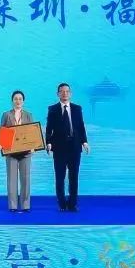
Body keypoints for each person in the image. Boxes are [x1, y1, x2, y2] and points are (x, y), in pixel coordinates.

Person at [45, 82, 89, 212]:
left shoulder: (77, 109)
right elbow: (49, 128)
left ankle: (73, 204)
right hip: (59, 148)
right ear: (58, 94)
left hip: (75, 148)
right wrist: (48, 142)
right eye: (62, 91)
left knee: (73, 177)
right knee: (60, 177)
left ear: (70, 93)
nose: (65, 93)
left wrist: (84, 142)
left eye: (67, 91)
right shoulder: (52, 109)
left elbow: (81, 126)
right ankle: (62, 204)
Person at [0, 90, 34, 213]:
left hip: (26, 152)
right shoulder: (6, 115)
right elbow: (2, 130)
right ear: (12, 101)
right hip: (11, 152)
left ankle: (25, 205)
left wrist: (33, 146)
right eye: (15, 99)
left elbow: (32, 132)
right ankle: (12, 205)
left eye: (20, 99)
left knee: (26, 179)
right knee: (12, 179)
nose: (18, 101)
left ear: (23, 101)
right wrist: (1, 144)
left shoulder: (28, 115)